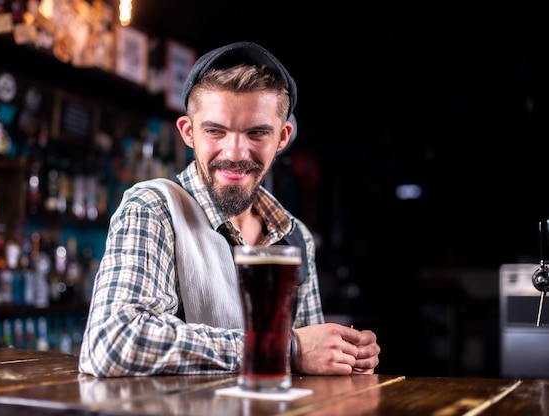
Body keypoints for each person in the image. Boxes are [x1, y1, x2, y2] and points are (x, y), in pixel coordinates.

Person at [78, 41, 380, 377]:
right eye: (215, 131)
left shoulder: (296, 237)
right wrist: (283, 348)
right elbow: (112, 342)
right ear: (189, 132)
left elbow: (310, 362)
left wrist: (344, 356)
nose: (235, 152)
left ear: (282, 137)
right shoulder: (152, 208)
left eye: (256, 133)